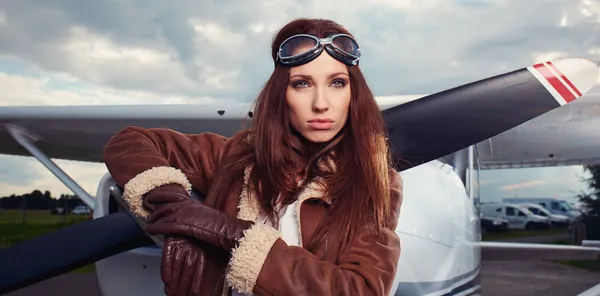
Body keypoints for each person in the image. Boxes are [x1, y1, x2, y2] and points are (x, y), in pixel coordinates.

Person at [102, 17, 403, 296]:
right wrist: (177, 212)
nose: (321, 103)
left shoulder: (375, 180)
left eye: (337, 83)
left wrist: (229, 234)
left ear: (354, 93)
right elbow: (129, 142)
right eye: (302, 83)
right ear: (281, 95)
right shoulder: (238, 156)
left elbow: (359, 290)